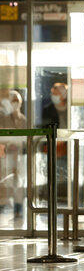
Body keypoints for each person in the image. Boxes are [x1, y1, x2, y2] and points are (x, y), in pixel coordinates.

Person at [0, 90, 26, 219]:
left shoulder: (23, 120)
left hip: (19, 156)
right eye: (13, 100)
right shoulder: (2, 118)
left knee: (19, 182)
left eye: (17, 100)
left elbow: (27, 139)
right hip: (5, 155)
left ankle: (18, 209)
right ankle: (3, 206)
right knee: (4, 180)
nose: (15, 103)